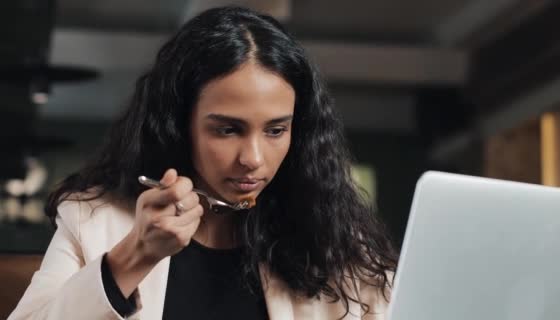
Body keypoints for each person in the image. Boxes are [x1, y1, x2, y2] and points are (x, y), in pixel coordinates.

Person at [9, 6, 397, 320]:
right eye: (228, 130)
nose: (254, 159)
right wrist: (135, 255)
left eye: (276, 130)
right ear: (179, 125)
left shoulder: (333, 234)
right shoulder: (91, 218)